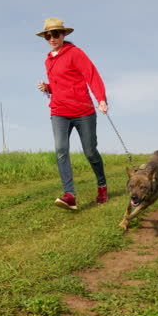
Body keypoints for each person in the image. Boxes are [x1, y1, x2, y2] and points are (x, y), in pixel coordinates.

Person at [36, 17, 108, 211]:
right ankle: (70, 196)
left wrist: (101, 98)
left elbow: (91, 75)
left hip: (83, 111)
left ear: (63, 34)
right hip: (59, 111)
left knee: (90, 152)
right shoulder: (48, 60)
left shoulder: (75, 53)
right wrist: (48, 88)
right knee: (61, 150)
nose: (52, 38)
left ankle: (102, 185)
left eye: (56, 34)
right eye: (48, 35)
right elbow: (62, 84)